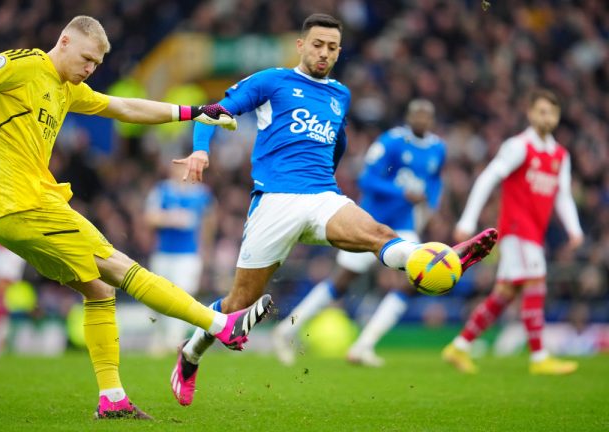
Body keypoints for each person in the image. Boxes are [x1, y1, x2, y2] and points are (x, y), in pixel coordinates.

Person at [0, 15, 274, 420]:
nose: (90, 69)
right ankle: (220, 323)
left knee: (98, 290)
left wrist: (191, 112)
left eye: (97, 64)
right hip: (23, 204)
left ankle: (112, 398)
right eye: (86, 59)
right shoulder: (22, 65)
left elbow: (123, 107)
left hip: (14, 212)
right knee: (118, 265)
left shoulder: (67, 89)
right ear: (66, 42)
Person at [169, 13, 497, 406]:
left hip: (324, 197)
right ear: (301, 45)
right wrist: (202, 149)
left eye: (332, 47)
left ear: (339, 52)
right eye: (318, 44)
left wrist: (328, 177)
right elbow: (214, 110)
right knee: (238, 303)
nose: (324, 53)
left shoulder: (340, 94)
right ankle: (189, 356)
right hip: (275, 201)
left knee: (381, 235)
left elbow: (337, 142)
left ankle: (443, 258)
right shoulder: (272, 81)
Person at [272, 99, 445, 367]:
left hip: (403, 225)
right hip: (371, 222)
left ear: (432, 120)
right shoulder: (392, 142)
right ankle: (287, 329)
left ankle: (364, 345)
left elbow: (434, 181)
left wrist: (430, 206)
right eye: (417, 115)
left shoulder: (438, 148)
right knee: (341, 281)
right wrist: (402, 192)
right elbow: (367, 179)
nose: (422, 120)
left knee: (414, 280)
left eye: (427, 115)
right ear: (408, 117)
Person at [442, 88, 583, 375]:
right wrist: (468, 221)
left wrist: (574, 229)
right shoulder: (518, 146)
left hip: (534, 232)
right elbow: (488, 178)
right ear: (530, 113)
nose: (547, 117)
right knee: (536, 283)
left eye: (552, 112)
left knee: (504, 294)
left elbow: (563, 195)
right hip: (517, 230)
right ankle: (540, 357)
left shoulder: (560, 155)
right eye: (541, 111)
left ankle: (460, 345)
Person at [144, 162, 216, 355]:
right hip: (163, 253)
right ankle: (157, 339)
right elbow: (149, 218)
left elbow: (209, 222)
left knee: (183, 296)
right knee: (156, 298)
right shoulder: (161, 191)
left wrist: (205, 247)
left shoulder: (202, 193)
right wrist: (170, 218)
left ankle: (174, 341)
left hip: (188, 255)